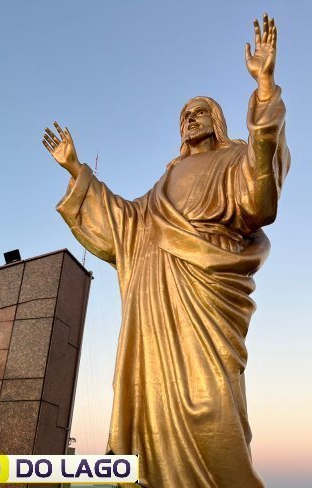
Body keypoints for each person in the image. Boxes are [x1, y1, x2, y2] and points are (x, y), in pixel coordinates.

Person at [43, 14, 290, 488]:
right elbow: (128, 221)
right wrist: (77, 171)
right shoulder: (167, 178)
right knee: (152, 397)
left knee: (212, 401)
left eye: (199, 112)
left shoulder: (234, 158)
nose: (190, 119)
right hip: (155, 295)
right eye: (184, 116)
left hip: (207, 289)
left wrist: (264, 90)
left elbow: (261, 202)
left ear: (216, 120)